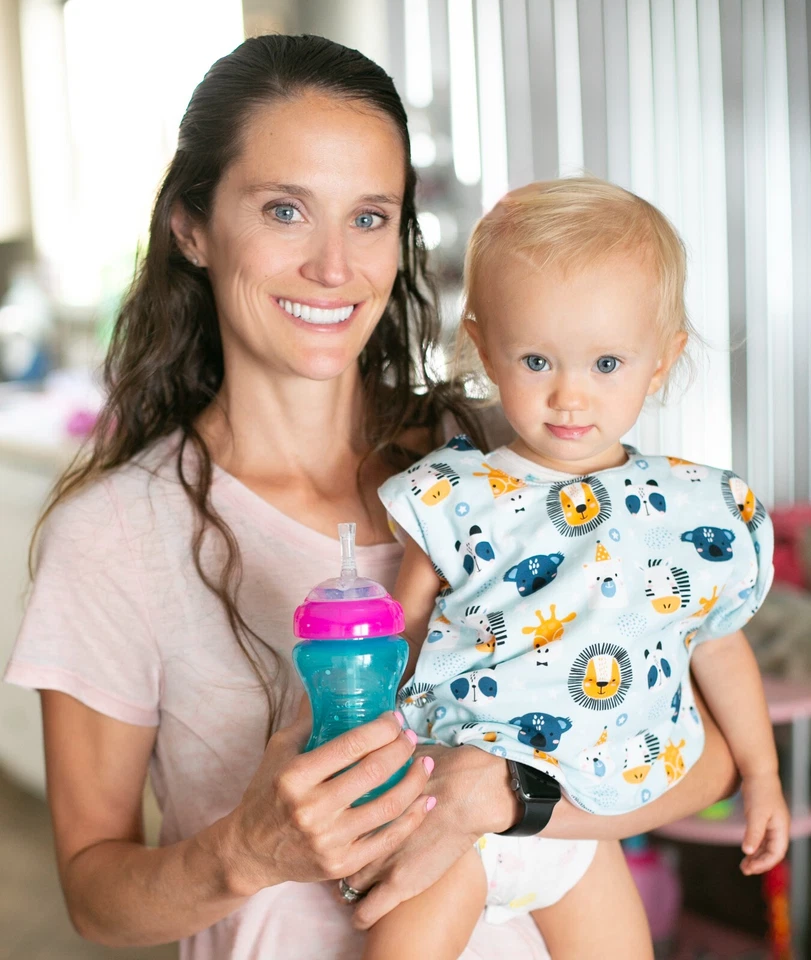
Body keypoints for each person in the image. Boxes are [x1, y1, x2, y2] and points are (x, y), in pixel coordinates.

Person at [3, 37, 741, 960]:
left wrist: (511, 795)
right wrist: (243, 851)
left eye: (368, 217)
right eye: (283, 209)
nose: (331, 265)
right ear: (191, 226)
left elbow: (708, 759)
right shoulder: (115, 534)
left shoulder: (513, 463)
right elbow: (96, 900)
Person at [370, 177, 790, 960]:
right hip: (451, 818)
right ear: (484, 344)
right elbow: (400, 637)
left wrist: (763, 775)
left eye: (605, 362)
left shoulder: (694, 512)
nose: (569, 395)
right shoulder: (454, 494)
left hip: (584, 825)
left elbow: (716, 644)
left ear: (660, 361)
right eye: (536, 359)